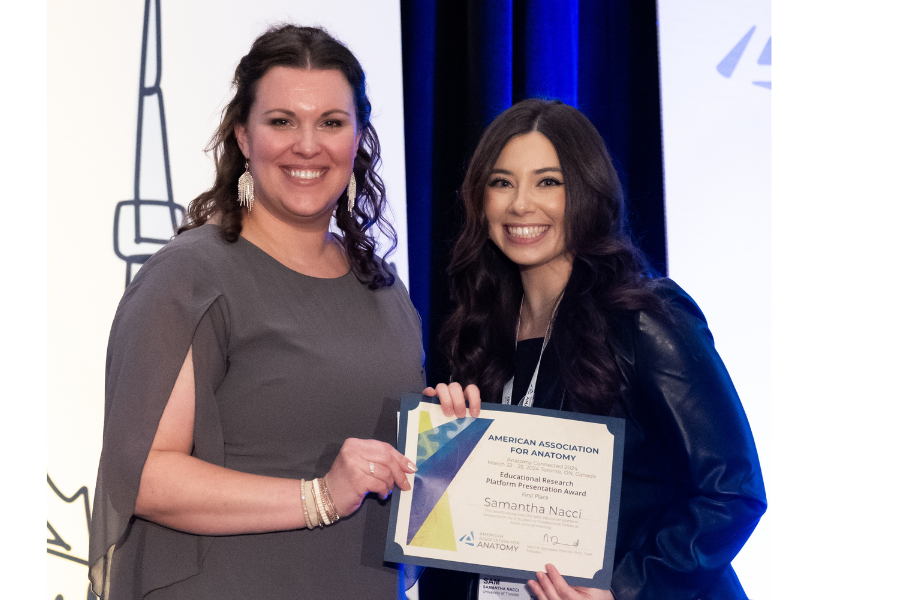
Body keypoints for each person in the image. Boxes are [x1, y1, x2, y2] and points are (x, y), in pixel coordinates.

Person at [88, 25, 423, 599]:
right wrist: (319, 495)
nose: (308, 145)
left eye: (331, 123)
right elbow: (142, 473)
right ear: (244, 135)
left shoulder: (386, 289)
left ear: (359, 137)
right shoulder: (189, 277)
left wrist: (452, 432)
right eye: (282, 121)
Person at [426, 99, 766, 600]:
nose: (521, 204)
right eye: (502, 182)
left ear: (587, 192)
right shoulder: (481, 331)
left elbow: (732, 491)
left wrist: (624, 591)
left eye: (548, 182)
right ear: (480, 199)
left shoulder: (645, 318)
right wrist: (443, 450)